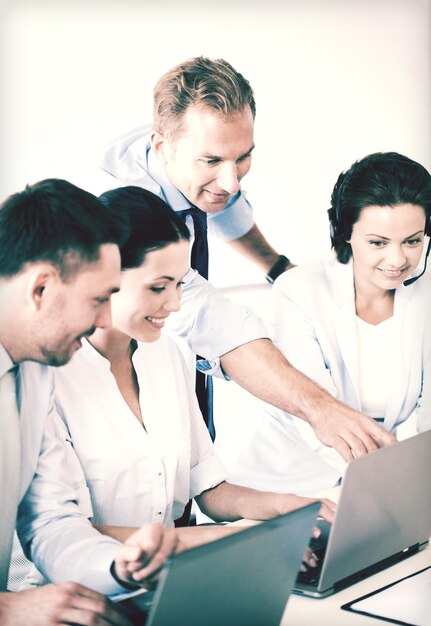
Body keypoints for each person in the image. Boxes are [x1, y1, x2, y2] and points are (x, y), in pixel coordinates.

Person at [13, 186, 334, 597]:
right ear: (107, 276)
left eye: (181, 284)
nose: (176, 304)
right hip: (72, 597)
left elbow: (208, 488)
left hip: (165, 585)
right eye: (158, 286)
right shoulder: (46, 372)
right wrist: (222, 542)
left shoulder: (166, 353)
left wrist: (287, 507)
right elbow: (63, 531)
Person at [85, 55, 395, 462]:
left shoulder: (190, 146)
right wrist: (321, 411)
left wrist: (276, 266)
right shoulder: (123, 216)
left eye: (243, 157)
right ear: (162, 147)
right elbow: (211, 320)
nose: (232, 181)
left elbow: (227, 206)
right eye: (212, 161)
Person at [0, 179, 179, 625]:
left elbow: (49, 521)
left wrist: (117, 565)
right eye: (99, 300)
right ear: (40, 289)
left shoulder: (38, 369)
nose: (105, 319)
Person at [228, 152, 431, 496]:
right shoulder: (299, 291)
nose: (398, 260)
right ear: (344, 232)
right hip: (288, 485)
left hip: (384, 482)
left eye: (412, 241)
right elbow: (317, 420)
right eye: (378, 243)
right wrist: (385, 485)